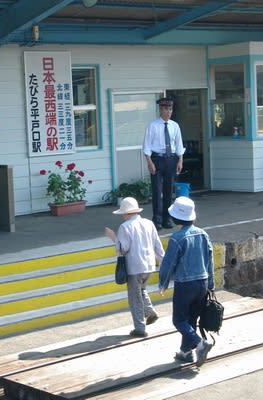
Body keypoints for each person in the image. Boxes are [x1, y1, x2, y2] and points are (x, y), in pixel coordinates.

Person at [158, 196, 214, 367]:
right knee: (191, 319)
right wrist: (210, 283)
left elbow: (168, 263)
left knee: (179, 320)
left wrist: (163, 283)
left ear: (175, 218)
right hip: (202, 283)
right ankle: (185, 352)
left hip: (185, 284)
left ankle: (199, 343)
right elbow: (210, 259)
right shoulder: (203, 234)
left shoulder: (177, 238)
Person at [104, 197, 165, 337]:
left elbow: (122, 249)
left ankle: (140, 328)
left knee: (134, 297)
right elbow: (157, 245)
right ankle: (150, 312)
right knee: (141, 290)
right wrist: (163, 261)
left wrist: (113, 237)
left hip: (134, 267)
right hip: (149, 265)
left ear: (126, 213)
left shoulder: (125, 227)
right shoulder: (149, 223)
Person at [142, 96, 185, 230]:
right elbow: (147, 146)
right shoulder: (153, 125)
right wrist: (150, 162)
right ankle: (157, 219)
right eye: (166, 109)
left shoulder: (174, 126)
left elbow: (179, 144)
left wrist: (180, 161)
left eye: (170, 109)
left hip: (170, 159)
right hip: (157, 159)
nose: (168, 112)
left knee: (168, 190)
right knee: (157, 190)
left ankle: (167, 218)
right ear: (160, 110)